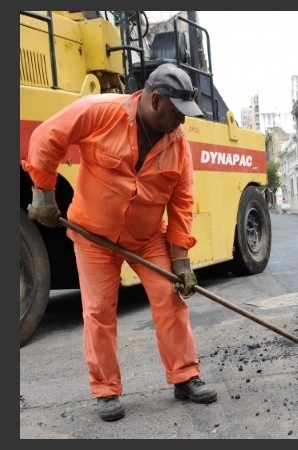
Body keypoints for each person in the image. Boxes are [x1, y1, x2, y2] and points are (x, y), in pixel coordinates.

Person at [22, 63, 217, 422]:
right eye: (178, 112)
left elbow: (182, 204)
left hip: (146, 238)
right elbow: (46, 137)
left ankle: (185, 376)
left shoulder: (178, 145)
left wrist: (181, 262)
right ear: (155, 101)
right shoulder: (99, 111)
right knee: (99, 310)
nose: (182, 122)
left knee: (171, 298)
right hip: (93, 236)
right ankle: (106, 391)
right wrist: (43, 194)